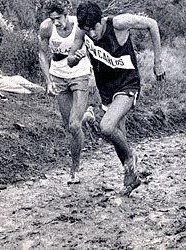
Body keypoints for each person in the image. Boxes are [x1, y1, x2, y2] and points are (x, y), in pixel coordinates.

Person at [67, 1, 165, 196]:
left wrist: (158, 62)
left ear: (100, 20)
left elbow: (152, 24)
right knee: (118, 136)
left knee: (106, 126)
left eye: (94, 28)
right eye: (87, 31)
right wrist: (75, 57)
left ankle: (131, 159)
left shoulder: (119, 23)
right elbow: (69, 60)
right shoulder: (82, 32)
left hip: (127, 84)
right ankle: (131, 178)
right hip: (106, 89)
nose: (92, 34)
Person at [38, 0, 95, 184]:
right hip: (59, 74)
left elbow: (95, 45)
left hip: (80, 73)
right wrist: (48, 81)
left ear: (66, 14)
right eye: (52, 19)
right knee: (68, 125)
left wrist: (93, 73)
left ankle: (75, 169)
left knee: (73, 125)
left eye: (59, 18)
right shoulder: (46, 28)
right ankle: (87, 115)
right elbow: (42, 54)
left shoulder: (79, 25)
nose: (56, 22)